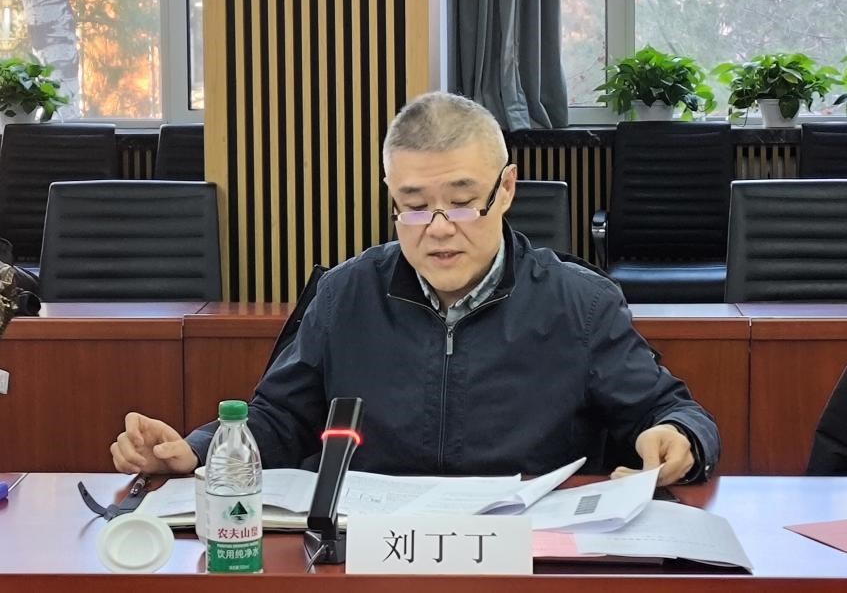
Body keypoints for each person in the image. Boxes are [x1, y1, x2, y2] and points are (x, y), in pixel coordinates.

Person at [111, 92, 719, 486]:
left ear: (506, 189)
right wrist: (198, 450)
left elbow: (674, 411)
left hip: (525, 557)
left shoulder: (580, 303)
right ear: (391, 196)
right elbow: (278, 418)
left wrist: (679, 438)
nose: (439, 229)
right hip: (370, 558)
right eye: (414, 205)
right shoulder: (344, 295)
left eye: (462, 201)